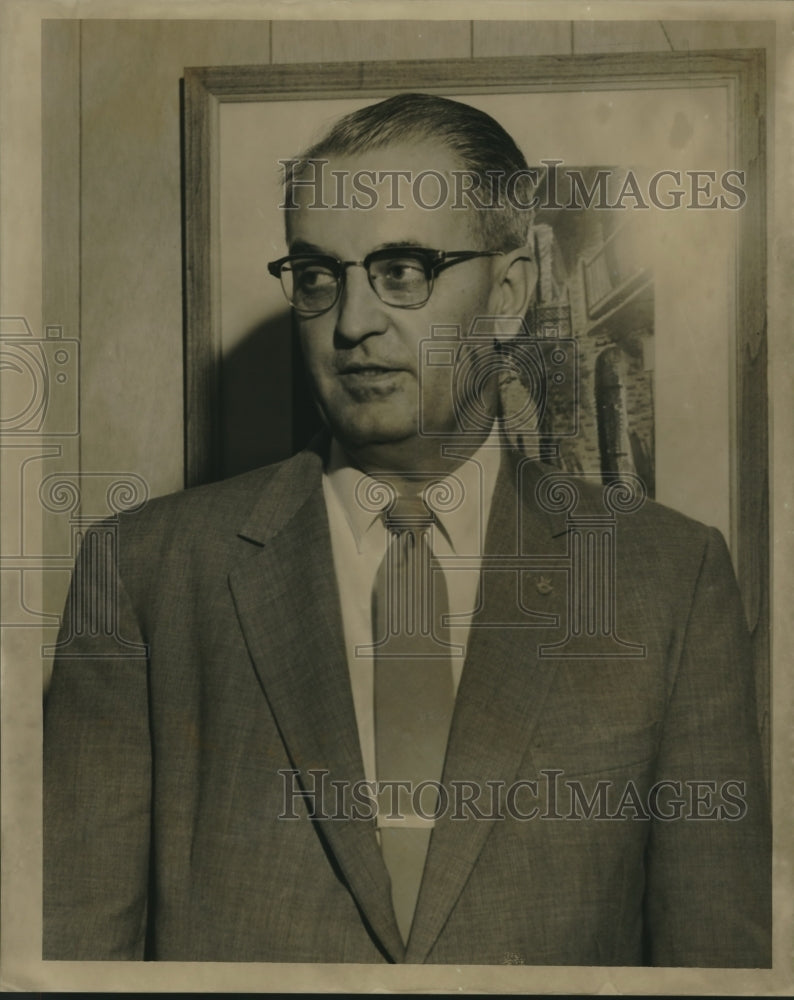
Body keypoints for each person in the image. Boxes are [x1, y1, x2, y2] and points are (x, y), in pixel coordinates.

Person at [43, 93, 771, 966]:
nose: (351, 323)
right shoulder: (141, 572)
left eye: (403, 270)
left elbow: (715, 966)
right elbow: (75, 956)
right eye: (318, 277)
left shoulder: (670, 578)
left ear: (507, 296)